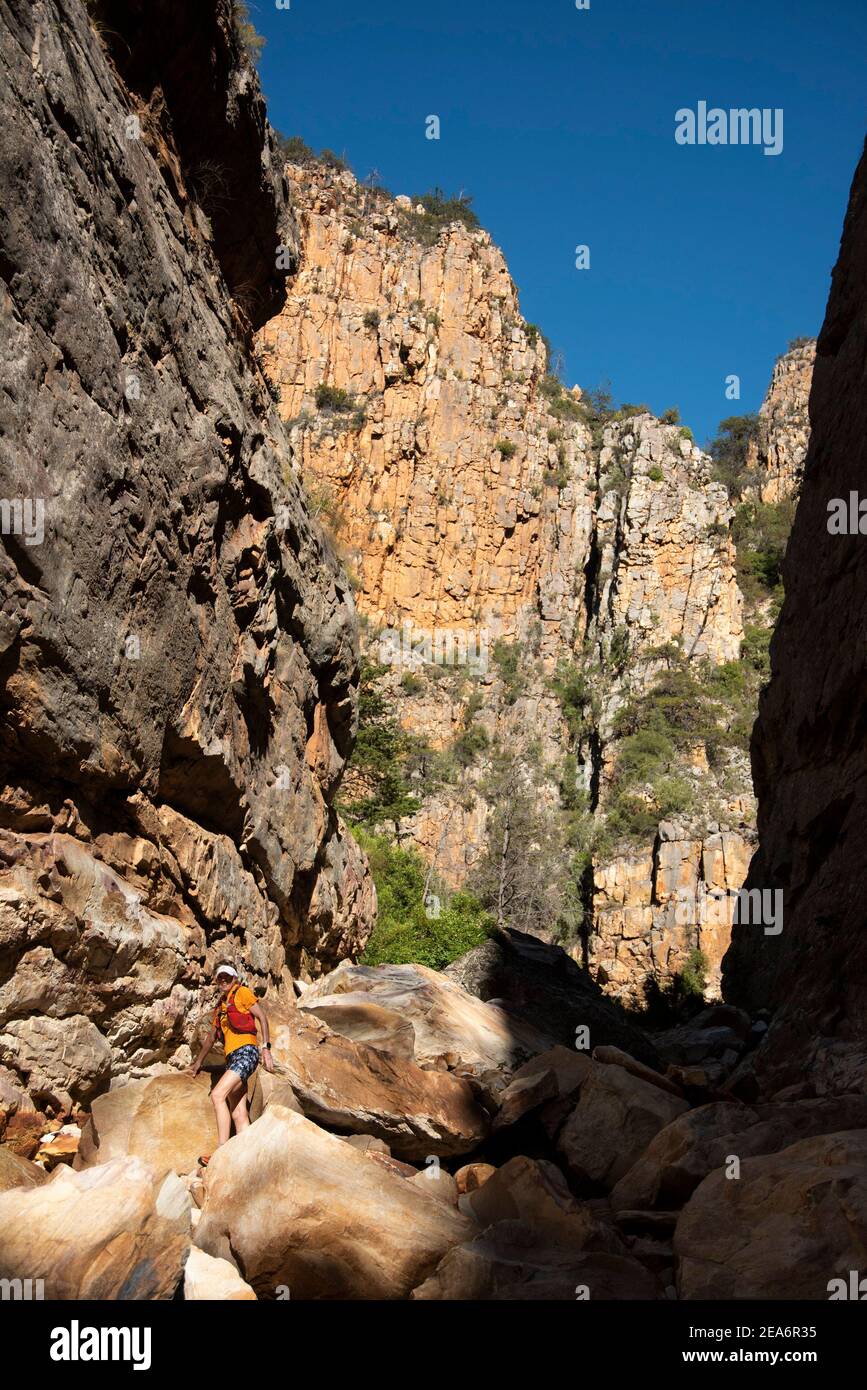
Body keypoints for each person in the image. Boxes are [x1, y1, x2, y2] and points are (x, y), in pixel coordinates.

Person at [189, 964, 274, 1165]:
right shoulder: (220, 1007)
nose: (223, 981)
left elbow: (262, 1017)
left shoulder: (242, 993)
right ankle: (248, 1157)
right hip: (233, 1059)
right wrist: (198, 1062)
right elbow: (210, 1038)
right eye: (220, 978)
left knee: (218, 1095)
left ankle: (221, 1153)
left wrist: (266, 1048)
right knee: (238, 1111)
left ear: (234, 978)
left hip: (247, 1052)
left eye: (227, 977)